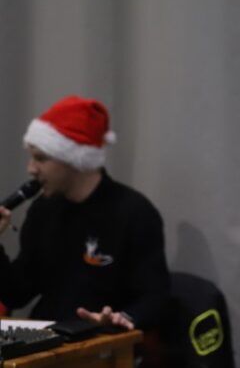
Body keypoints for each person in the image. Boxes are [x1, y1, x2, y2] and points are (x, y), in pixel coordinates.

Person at [0, 95, 170, 332]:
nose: (31, 169)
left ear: (72, 158)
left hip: (103, 343)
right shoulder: (43, 210)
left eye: (40, 158)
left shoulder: (134, 212)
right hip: (48, 339)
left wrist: (122, 318)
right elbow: (16, 294)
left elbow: (156, 297)